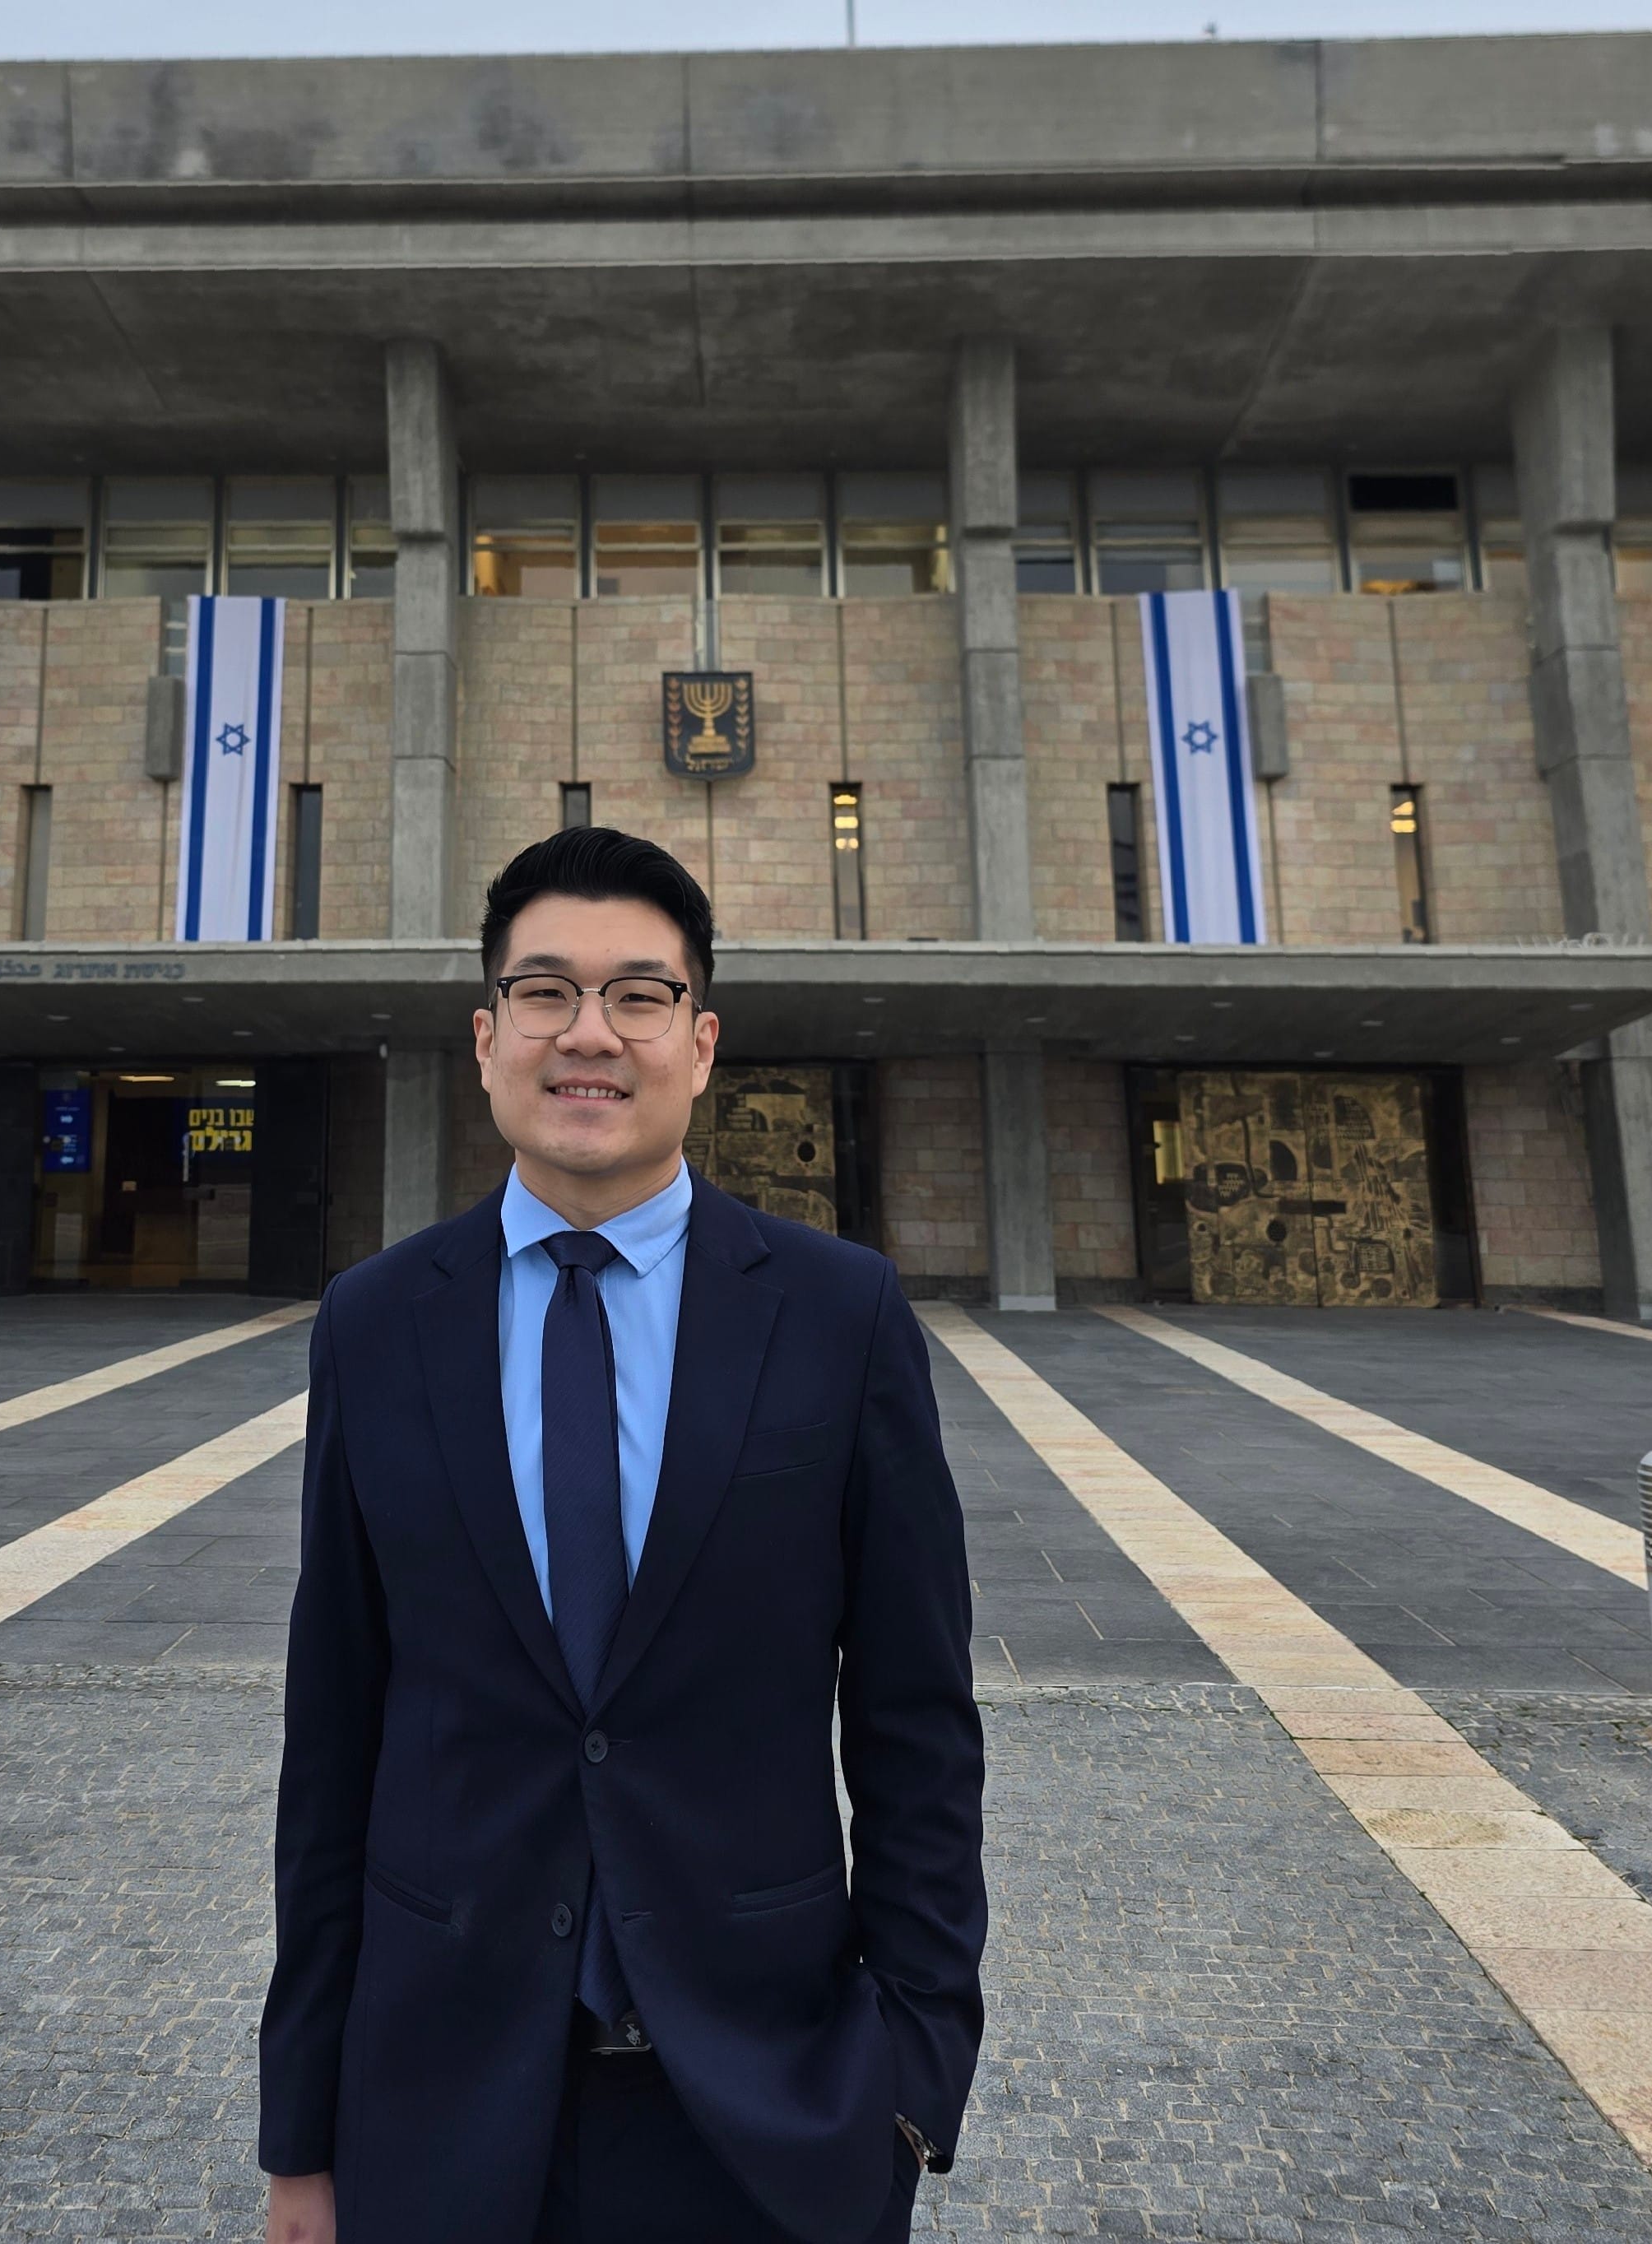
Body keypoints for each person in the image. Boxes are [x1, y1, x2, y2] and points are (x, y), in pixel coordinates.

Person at [258, 827, 986, 2244]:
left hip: (760, 2113)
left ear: (701, 1045)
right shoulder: (377, 1322)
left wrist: (912, 2077)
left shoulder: (839, 1320)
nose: (588, 1033)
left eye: (638, 996)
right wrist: (302, 2133)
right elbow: (332, 1734)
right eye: (545, 991)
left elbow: (917, 1724)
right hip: (439, 2106)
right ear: (486, 1038)